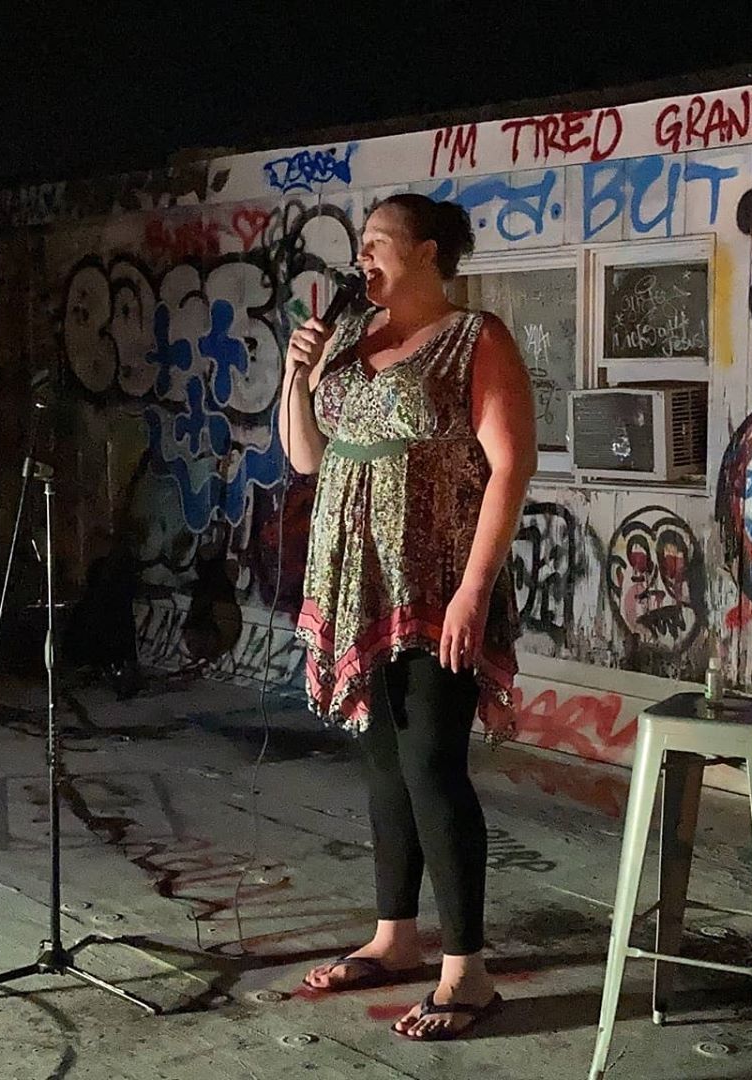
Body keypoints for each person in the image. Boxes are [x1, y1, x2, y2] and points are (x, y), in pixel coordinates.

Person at [280, 193, 537, 1041]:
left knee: (432, 764)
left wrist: (473, 590)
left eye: (378, 242)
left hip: (436, 585)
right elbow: (306, 456)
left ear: (427, 252)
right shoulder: (351, 339)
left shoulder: (475, 339)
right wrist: (296, 373)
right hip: (360, 587)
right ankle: (395, 936)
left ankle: (468, 972)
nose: (363, 257)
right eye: (361, 244)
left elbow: (511, 467)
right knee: (385, 765)